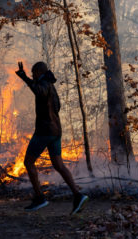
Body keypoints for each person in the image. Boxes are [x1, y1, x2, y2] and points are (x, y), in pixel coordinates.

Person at [15, 61, 89, 215]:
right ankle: (78, 195)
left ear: (39, 72)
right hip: (56, 131)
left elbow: (39, 91)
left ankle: (40, 198)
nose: (33, 76)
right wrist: (27, 78)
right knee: (59, 165)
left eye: (34, 73)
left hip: (44, 131)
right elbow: (57, 106)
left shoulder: (44, 84)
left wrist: (25, 78)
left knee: (28, 162)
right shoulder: (51, 85)